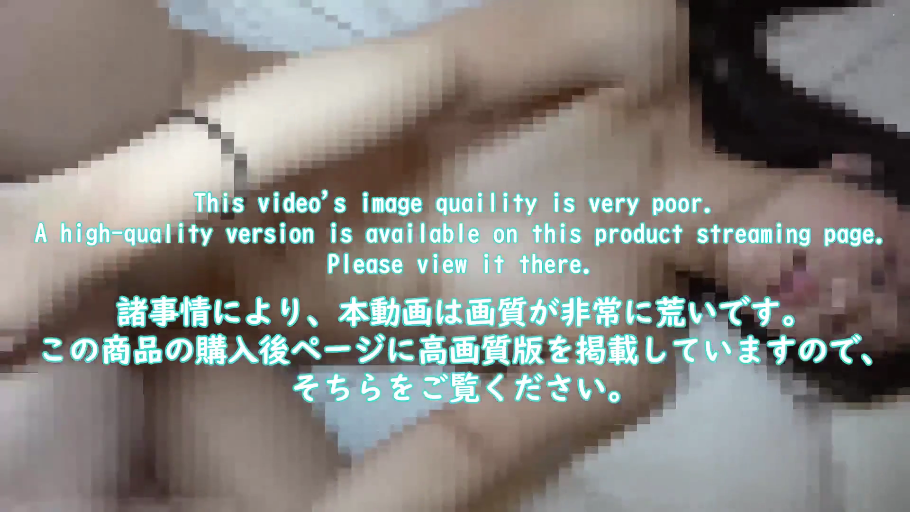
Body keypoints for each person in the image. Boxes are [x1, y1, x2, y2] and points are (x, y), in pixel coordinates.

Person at [0, 0, 905, 510]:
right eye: (887, 270)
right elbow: (422, 75)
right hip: (154, 114)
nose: (843, 304)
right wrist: (89, 221)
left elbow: (466, 446)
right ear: (855, 168)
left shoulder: (630, 360)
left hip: (195, 333)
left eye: (861, 333)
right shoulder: (637, 46)